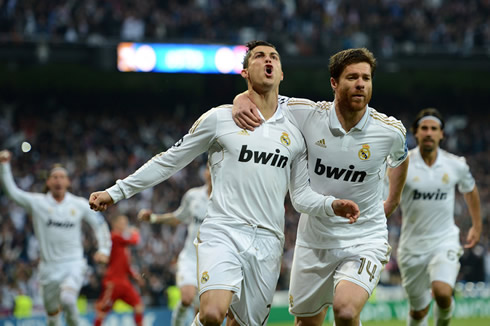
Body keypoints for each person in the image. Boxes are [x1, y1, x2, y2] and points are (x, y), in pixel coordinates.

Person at [88, 40, 360, 326]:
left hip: (269, 240)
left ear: (281, 73)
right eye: (258, 56)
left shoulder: (295, 132)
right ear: (244, 72)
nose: (267, 60)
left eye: (274, 57)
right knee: (212, 313)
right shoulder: (219, 119)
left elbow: (301, 195)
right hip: (224, 230)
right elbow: (169, 160)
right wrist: (115, 192)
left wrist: (332, 205)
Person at [233, 47, 409, 326]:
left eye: (366, 77)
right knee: (307, 323)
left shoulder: (389, 131)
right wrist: (241, 99)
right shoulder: (306, 114)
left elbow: (400, 158)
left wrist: (392, 201)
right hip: (314, 241)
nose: (360, 84)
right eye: (352, 77)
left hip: (364, 239)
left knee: (346, 311)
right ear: (334, 83)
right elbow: (265, 95)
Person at [0, 149, 111, 326]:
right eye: (55, 177)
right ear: (48, 182)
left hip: (73, 263)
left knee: (67, 299)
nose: (58, 180)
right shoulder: (38, 203)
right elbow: (13, 193)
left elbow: (99, 223)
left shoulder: (79, 204)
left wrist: (104, 249)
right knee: (52, 317)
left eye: (62, 176)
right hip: (48, 269)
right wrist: (4, 166)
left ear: (68, 182)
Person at [396, 108, 482, 326]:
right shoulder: (402, 165)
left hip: (444, 240)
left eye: (434, 129)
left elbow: (470, 189)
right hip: (411, 247)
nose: (429, 133)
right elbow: (387, 199)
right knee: (419, 310)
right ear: (415, 133)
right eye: (424, 128)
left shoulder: (455, 164)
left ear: (442, 134)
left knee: (443, 293)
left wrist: (476, 225)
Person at [138, 165, 211, 326]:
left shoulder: (227, 199)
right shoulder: (193, 196)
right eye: (208, 168)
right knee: (187, 297)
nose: (211, 171)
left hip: (213, 262)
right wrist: (154, 219)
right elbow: (178, 217)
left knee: (203, 314)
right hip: (191, 258)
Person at [94, 214, 145, 326]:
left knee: (138, 306)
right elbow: (135, 241)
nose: (126, 226)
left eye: (126, 223)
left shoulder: (122, 244)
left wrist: (135, 276)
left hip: (124, 283)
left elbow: (125, 265)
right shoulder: (114, 237)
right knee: (102, 311)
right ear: (115, 224)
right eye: (123, 223)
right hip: (113, 282)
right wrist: (135, 232)